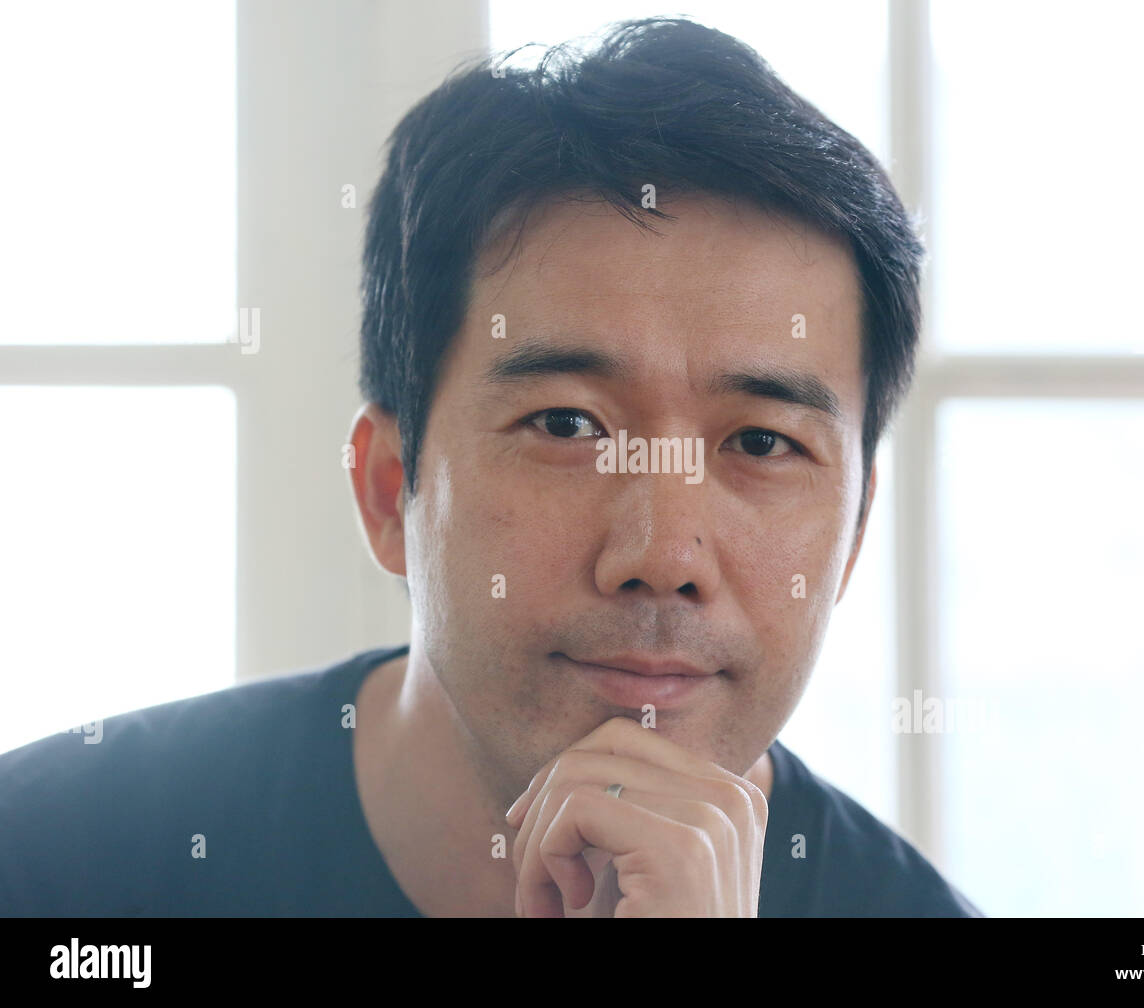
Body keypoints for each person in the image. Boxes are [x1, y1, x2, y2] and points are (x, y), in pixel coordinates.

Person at [0, 18, 979, 917]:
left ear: (852, 536)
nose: (665, 554)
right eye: (565, 423)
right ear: (390, 488)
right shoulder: (53, 864)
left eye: (762, 444)